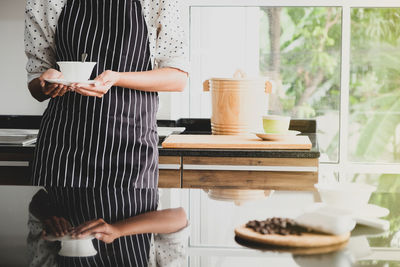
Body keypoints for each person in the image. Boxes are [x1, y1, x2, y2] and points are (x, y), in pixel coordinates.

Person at [25, 0, 188, 265]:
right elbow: (36, 81)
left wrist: (116, 78)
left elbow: (178, 77)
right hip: (62, 151)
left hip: (130, 148)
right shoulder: (46, 1)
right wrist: (47, 81)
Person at [28, 188, 189, 267]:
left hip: (68, 167)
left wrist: (50, 220)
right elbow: (179, 218)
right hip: (132, 166)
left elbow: (38, 201)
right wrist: (118, 230)